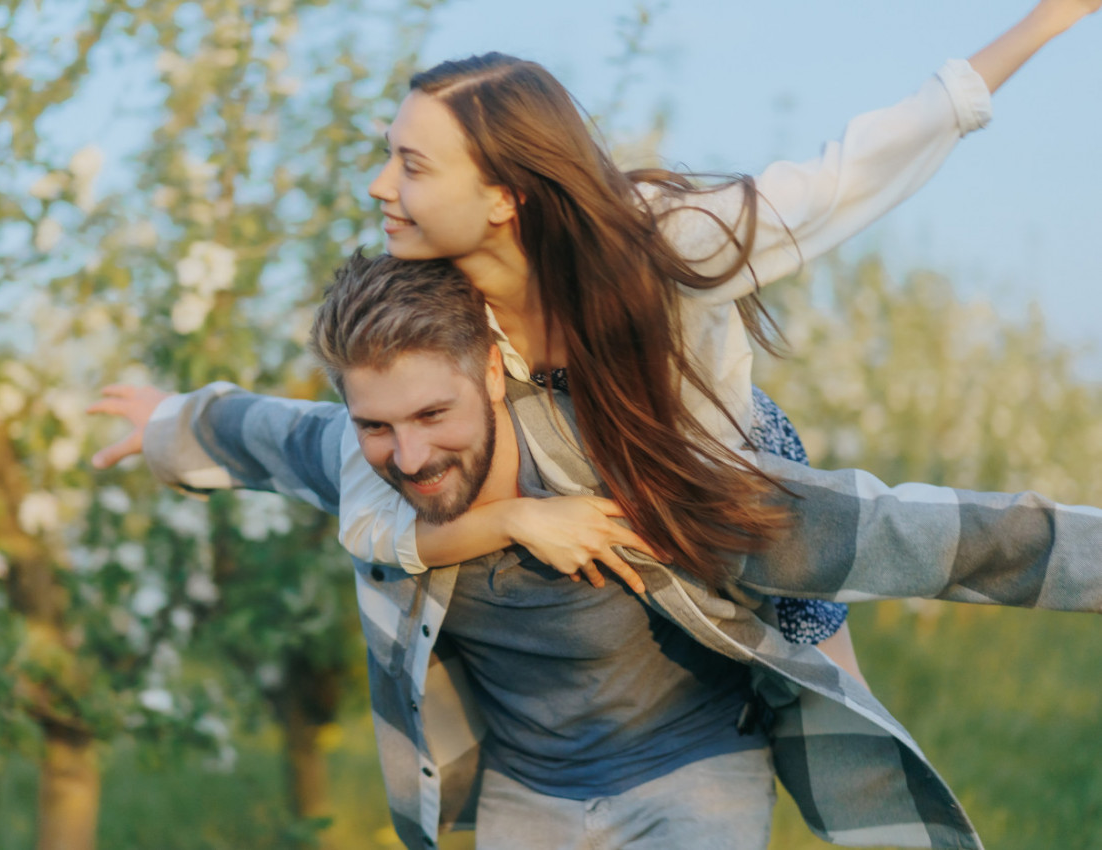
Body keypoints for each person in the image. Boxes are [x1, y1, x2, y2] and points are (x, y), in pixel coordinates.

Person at [92, 251, 1102, 850]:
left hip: (692, 774)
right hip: (528, 794)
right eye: (375, 424)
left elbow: (915, 534)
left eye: (431, 413)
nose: (407, 454)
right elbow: (257, 432)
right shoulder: (363, 464)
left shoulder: (626, 465)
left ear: (492, 368)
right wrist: (169, 422)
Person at [335, 0, 1100, 682]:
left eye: (410, 165)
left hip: (723, 457)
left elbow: (850, 174)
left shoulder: (664, 239)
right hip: (603, 483)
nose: (378, 185)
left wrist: (1042, 22)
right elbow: (369, 520)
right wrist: (511, 520)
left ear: (504, 195)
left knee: (839, 692)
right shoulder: (425, 310)